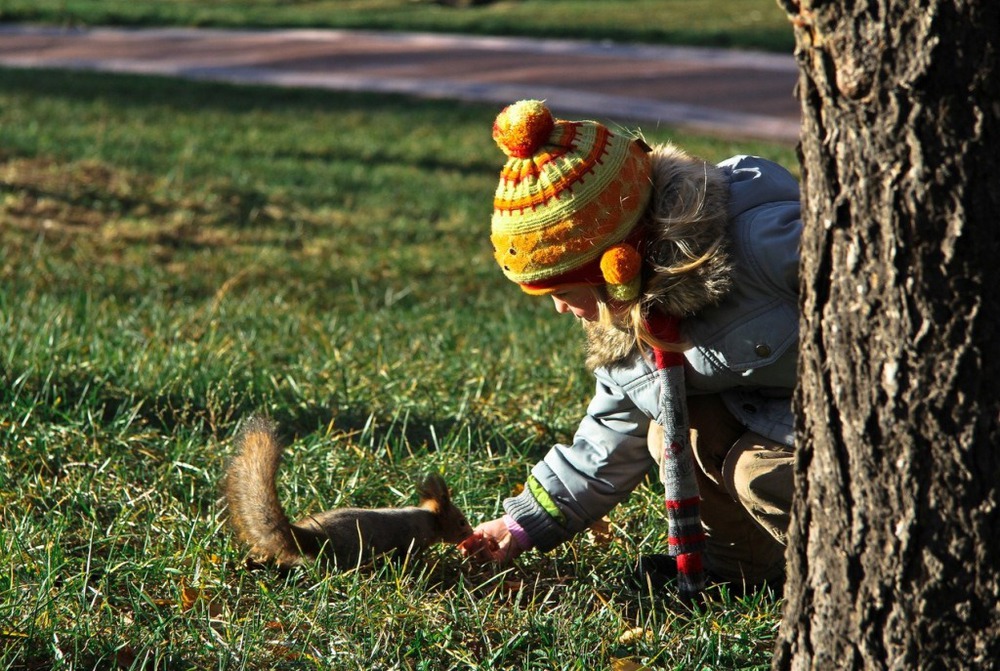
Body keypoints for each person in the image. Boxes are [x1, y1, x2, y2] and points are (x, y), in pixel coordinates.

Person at [458, 100, 801, 597]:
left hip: (858, 426)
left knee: (755, 470)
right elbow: (611, 433)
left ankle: (856, 570)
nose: (559, 309)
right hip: (776, 416)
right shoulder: (628, 320)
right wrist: (519, 526)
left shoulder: (761, 245)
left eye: (561, 291)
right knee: (671, 432)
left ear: (615, 264)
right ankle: (742, 573)